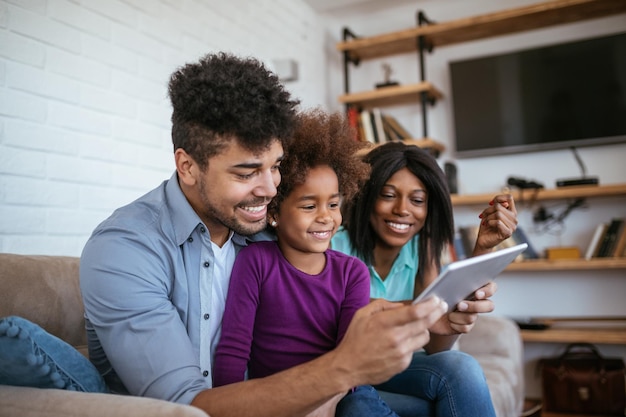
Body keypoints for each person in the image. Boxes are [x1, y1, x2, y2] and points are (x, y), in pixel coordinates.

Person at [80, 52, 448, 417]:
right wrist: (344, 367)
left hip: (302, 396)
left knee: (451, 380)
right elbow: (183, 408)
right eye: (246, 173)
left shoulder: (262, 232)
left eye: (275, 166)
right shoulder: (125, 249)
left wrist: (430, 312)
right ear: (187, 166)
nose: (271, 189)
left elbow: (324, 299)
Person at [213, 109, 401, 416]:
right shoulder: (255, 262)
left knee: (360, 407)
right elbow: (234, 349)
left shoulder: (352, 272)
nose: (326, 216)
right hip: (278, 397)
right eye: (309, 205)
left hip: (343, 393)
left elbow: (349, 358)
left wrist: (323, 407)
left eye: (334, 204)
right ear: (273, 212)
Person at [332, 141, 519, 416]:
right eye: (387, 195)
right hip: (347, 368)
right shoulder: (334, 246)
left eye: (417, 200)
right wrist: (421, 310)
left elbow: (435, 346)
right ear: (366, 196)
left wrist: (483, 249)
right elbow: (331, 315)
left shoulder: (424, 248)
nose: (402, 210)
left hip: (400, 367)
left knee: (462, 368)